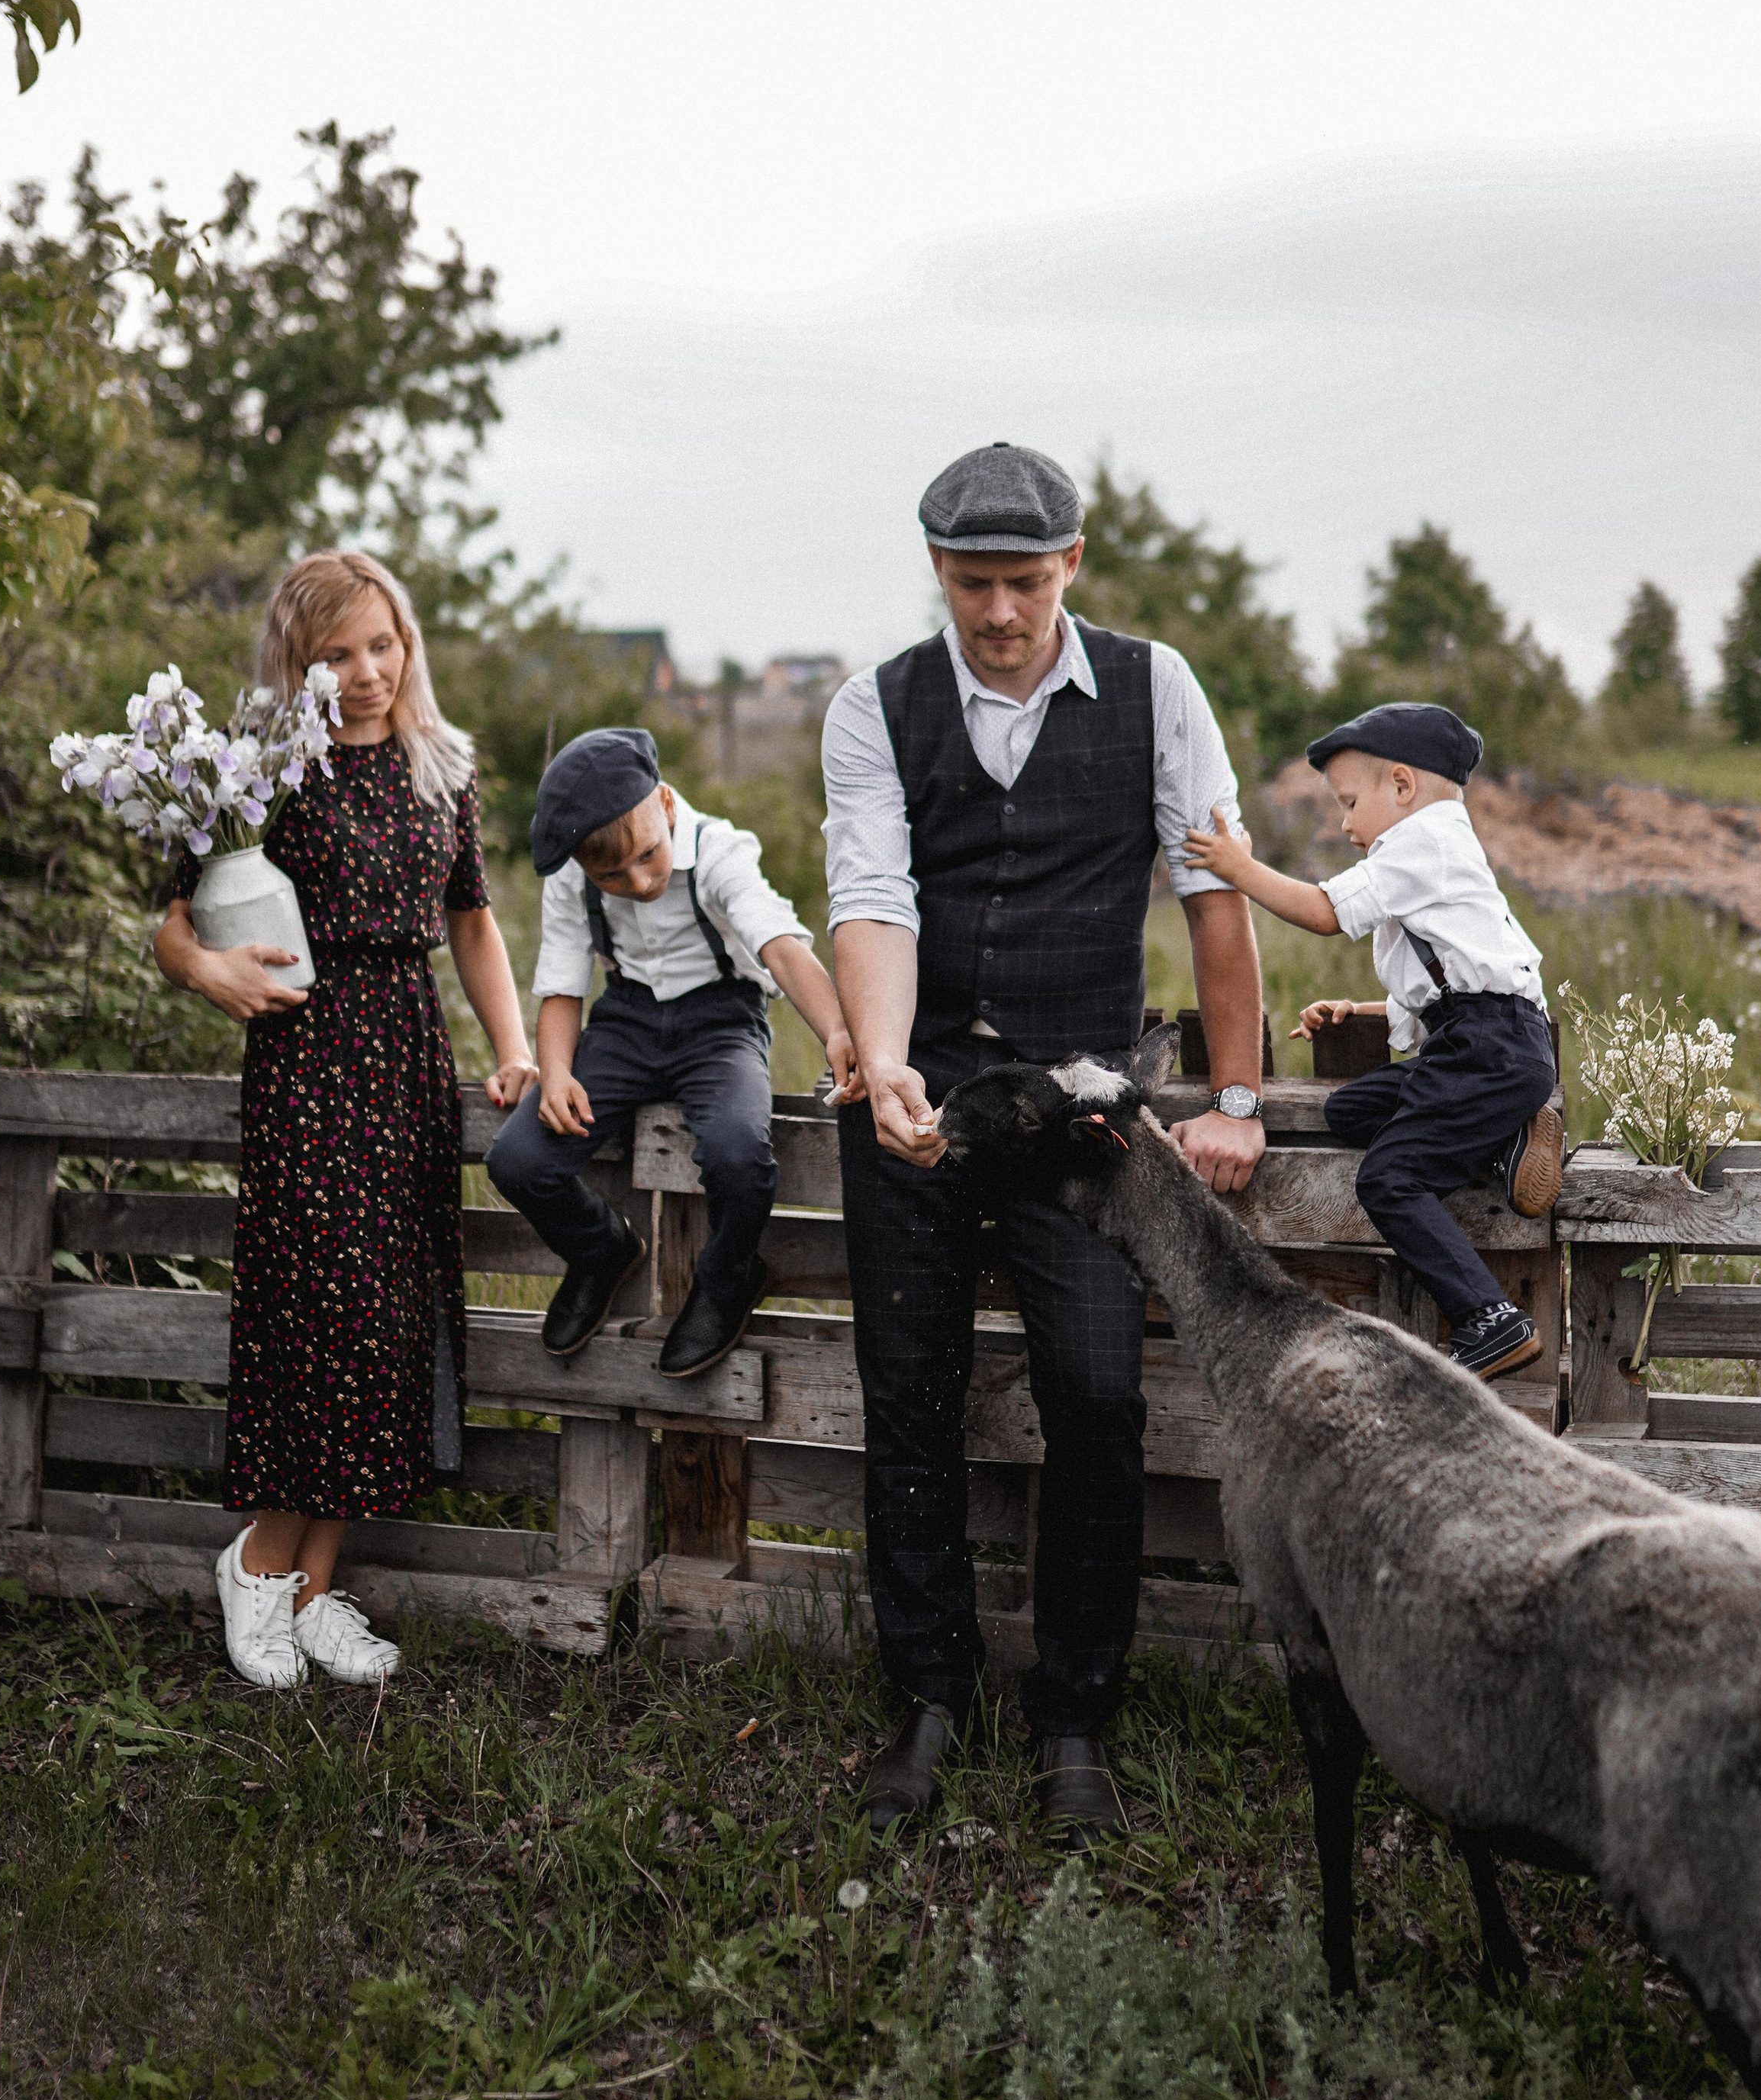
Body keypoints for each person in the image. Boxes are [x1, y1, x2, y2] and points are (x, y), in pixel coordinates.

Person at [823, 441, 1270, 1844]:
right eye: (972, 585)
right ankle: (930, 1700)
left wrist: (1239, 1102)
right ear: (938, 573)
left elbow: (1212, 901)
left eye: (1023, 582)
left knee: (1097, 1400)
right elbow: (875, 899)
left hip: (1089, 1109)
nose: (1000, 612)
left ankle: (1074, 1715)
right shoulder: (872, 707)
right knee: (908, 1404)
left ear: (1072, 565)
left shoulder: (1157, 690)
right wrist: (889, 1066)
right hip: (925, 1098)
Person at [156, 549, 539, 1691]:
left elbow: (472, 923)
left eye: (383, 645)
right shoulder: (258, 771)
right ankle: (260, 1563)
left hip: (407, 1056)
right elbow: (171, 928)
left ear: (406, 644)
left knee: (386, 1323)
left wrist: (512, 1047)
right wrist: (215, 975)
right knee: (317, 1312)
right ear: (297, 660)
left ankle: (317, 1595)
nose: (367, 672)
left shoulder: (442, 769)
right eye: (338, 653)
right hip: (307, 1057)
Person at [1183, 697, 1563, 1378]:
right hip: (1483, 1043)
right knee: (1349, 1110)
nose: (1345, 821)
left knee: (1388, 1179)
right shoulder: (1432, 856)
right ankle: (1505, 1136)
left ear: (1402, 786)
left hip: (1490, 1047)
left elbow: (1327, 913)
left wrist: (1239, 868)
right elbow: (1455, 978)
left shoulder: (1426, 839)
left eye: (1351, 802)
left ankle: (1489, 1319)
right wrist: (1359, 1010)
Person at [485, 728, 862, 1379]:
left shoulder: (718, 852)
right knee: (517, 1160)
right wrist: (554, 1075)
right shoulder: (574, 877)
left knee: (737, 1150)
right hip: (625, 1022)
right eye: (612, 875)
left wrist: (835, 1029)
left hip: (721, 1021)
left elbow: (775, 942)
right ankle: (602, 1251)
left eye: (647, 857)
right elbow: (562, 983)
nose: (637, 881)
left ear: (664, 804)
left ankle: (727, 1279)